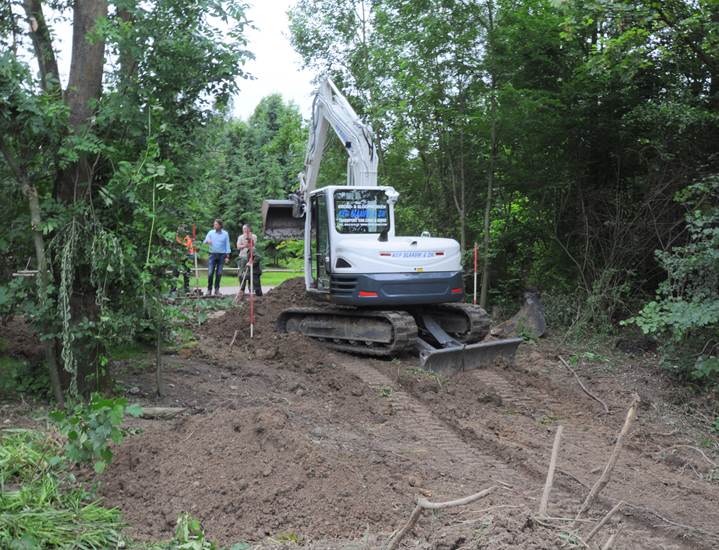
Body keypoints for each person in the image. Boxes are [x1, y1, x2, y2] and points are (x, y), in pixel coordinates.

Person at [203, 219, 230, 296]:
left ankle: (217, 290)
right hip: (212, 254)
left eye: (216, 224)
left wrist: (227, 256)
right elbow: (204, 241)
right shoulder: (210, 232)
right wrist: (207, 241)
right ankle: (209, 290)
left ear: (220, 225)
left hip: (222, 255)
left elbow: (227, 245)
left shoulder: (225, 234)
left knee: (219, 273)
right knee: (210, 273)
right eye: (214, 224)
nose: (214, 226)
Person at [236, 224, 262, 297]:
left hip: (250, 257)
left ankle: (252, 290)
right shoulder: (240, 237)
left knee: (251, 274)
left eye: (246, 229)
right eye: (243, 229)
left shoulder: (253, 236)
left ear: (249, 229)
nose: (244, 230)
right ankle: (242, 290)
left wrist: (246, 244)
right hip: (242, 257)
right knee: (241, 274)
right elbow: (238, 247)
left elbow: (252, 245)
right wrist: (244, 245)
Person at [172, 226, 195, 295]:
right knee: (175, 272)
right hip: (178, 257)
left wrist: (179, 243)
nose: (179, 232)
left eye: (181, 231)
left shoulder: (187, 238)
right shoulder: (176, 237)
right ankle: (173, 289)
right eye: (178, 231)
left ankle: (186, 289)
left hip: (188, 256)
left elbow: (186, 246)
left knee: (186, 273)